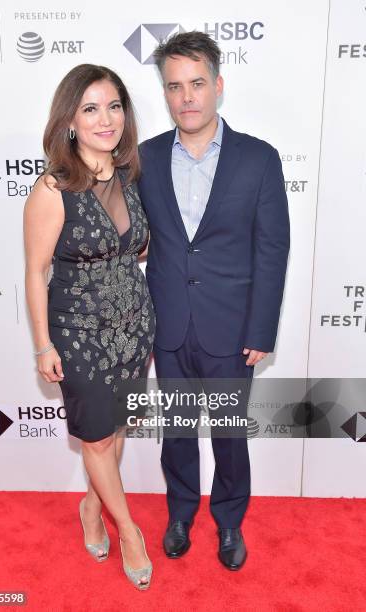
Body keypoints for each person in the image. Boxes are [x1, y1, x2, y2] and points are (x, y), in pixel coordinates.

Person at [138, 32, 290, 570]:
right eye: (175, 86)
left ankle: (229, 522)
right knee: (176, 432)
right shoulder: (145, 158)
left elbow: (272, 250)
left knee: (228, 435)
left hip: (232, 332)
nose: (187, 97)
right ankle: (181, 512)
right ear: (166, 93)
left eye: (197, 83)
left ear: (218, 86)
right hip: (170, 327)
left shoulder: (259, 159)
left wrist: (261, 330)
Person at [23, 64, 155, 590]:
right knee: (97, 440)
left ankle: (91, 508)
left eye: (115, 106)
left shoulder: (127, 176)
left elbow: (136, 245)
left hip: (133, 329)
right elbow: (35, 272)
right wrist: (41, 345)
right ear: (71, 120)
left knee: (114, 432)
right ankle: (129, 532)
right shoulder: (54, 187)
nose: (107, 119)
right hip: (79, 334)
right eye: (92, 108)